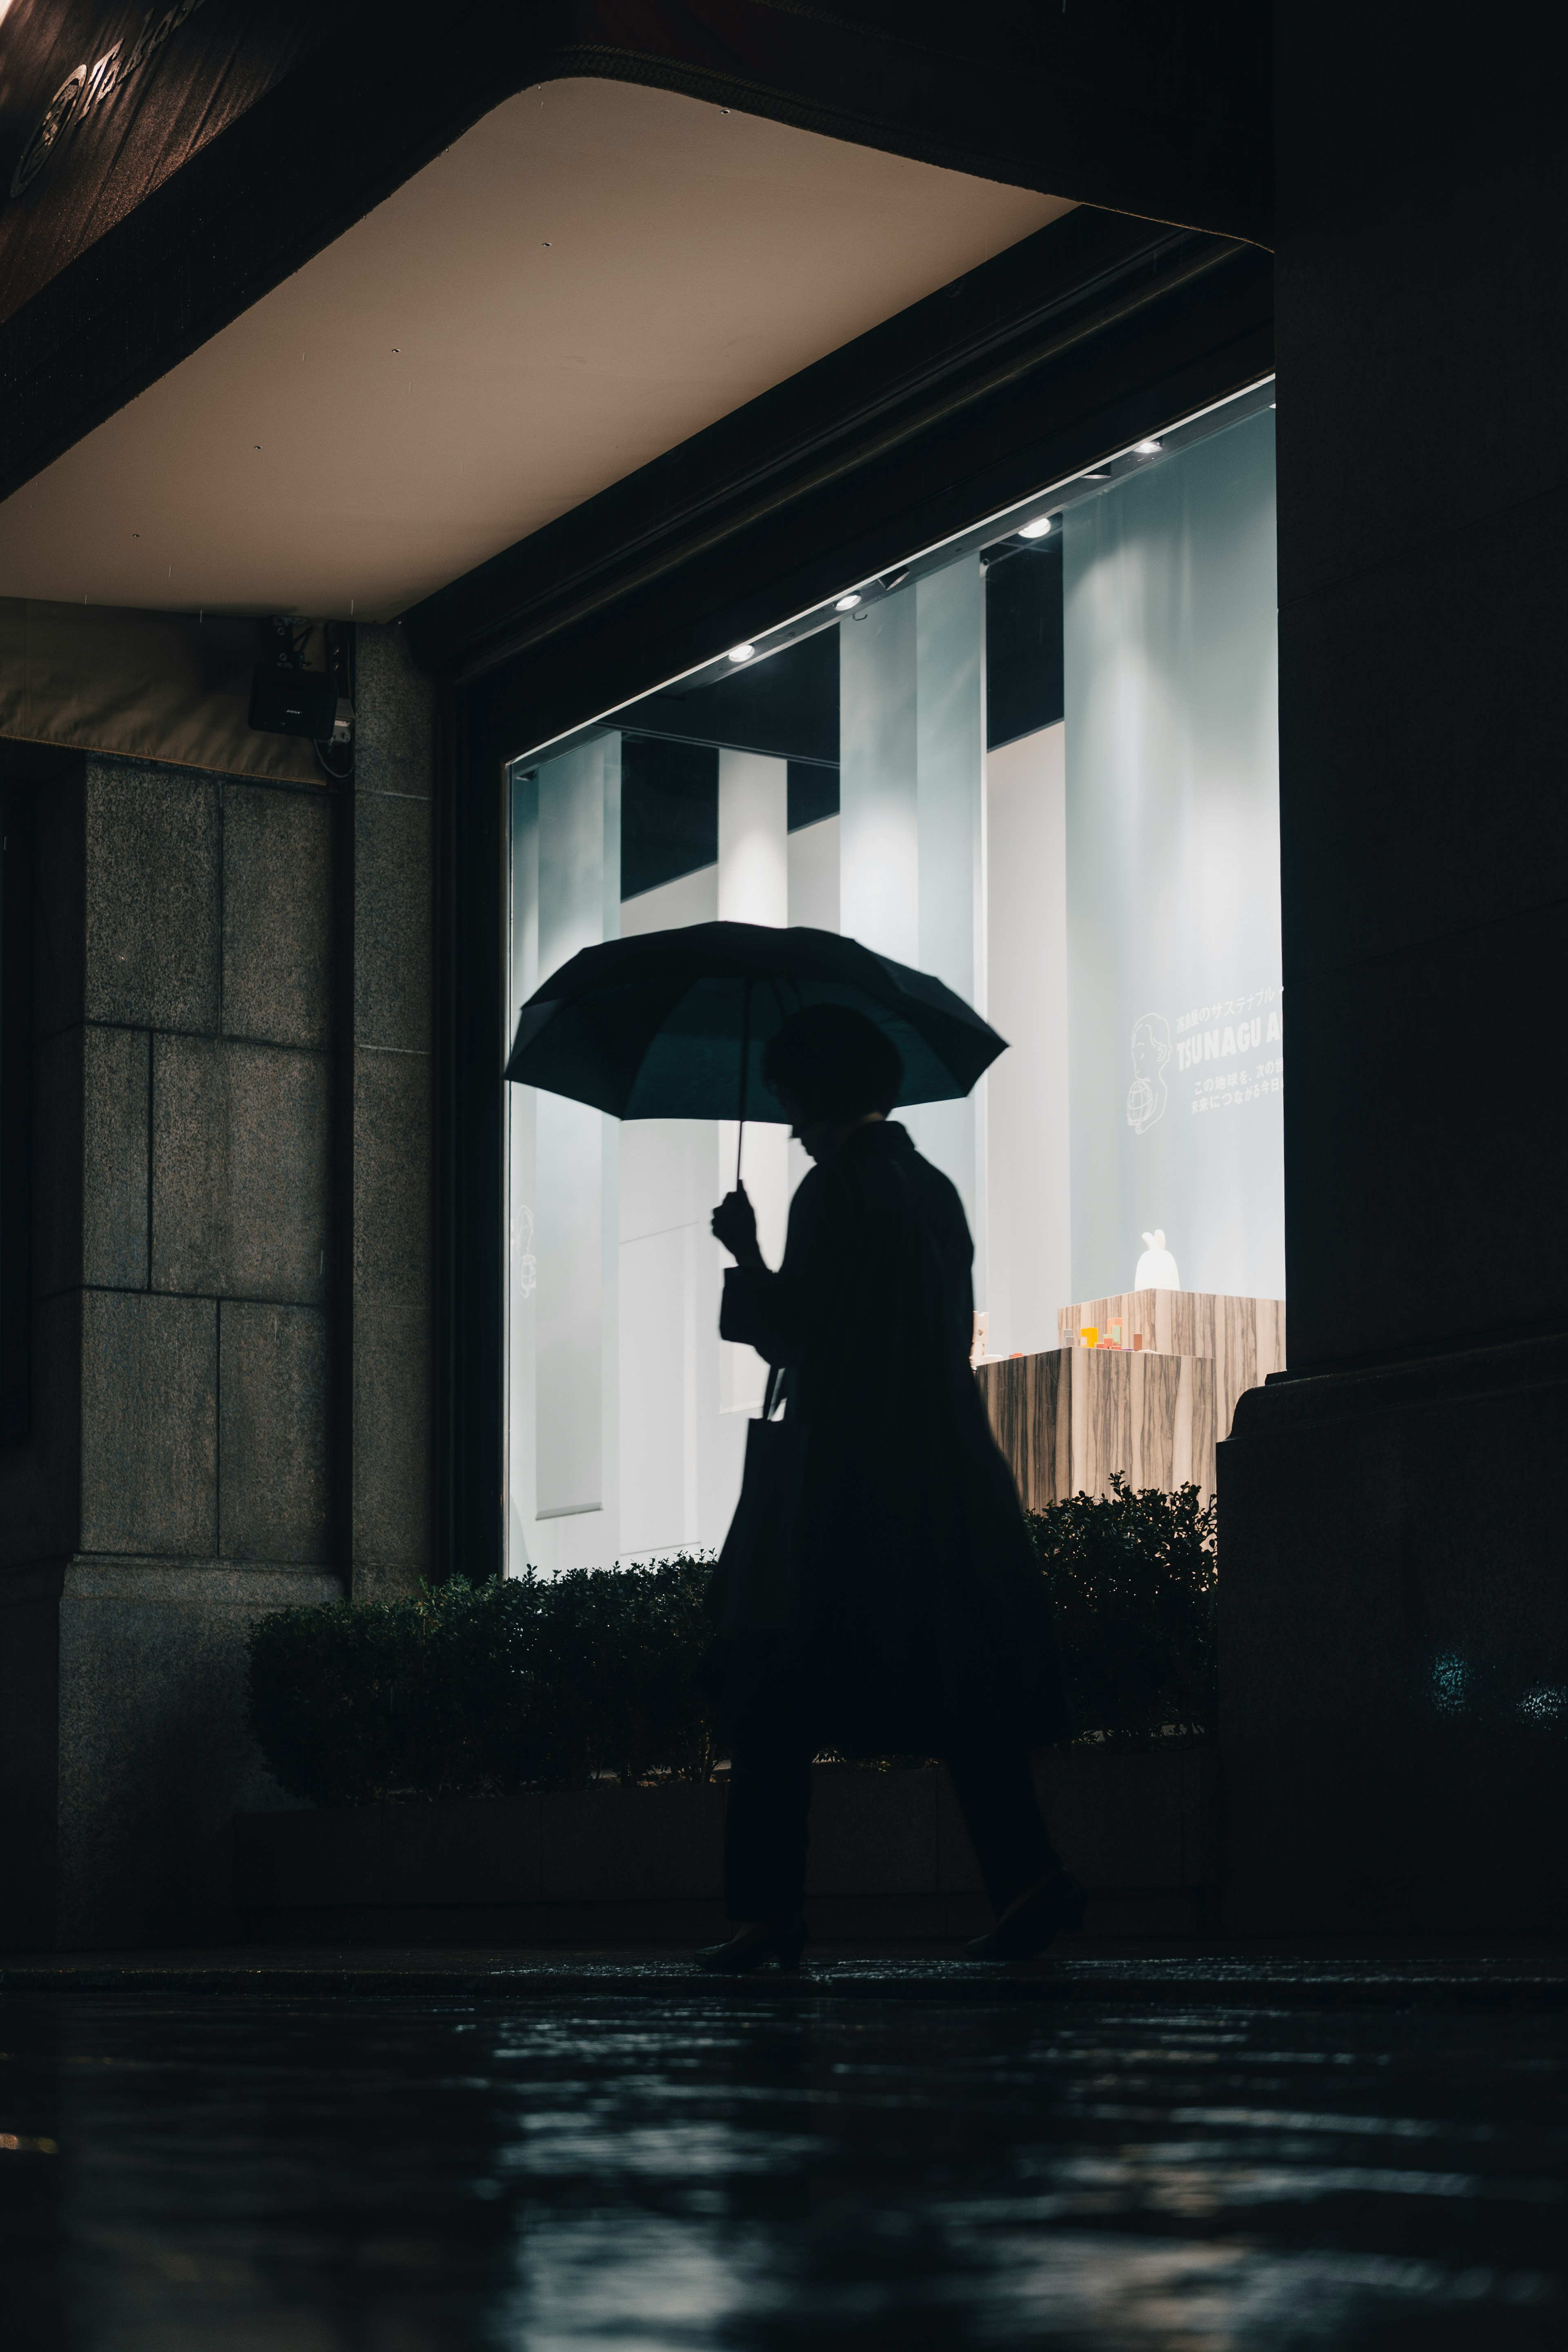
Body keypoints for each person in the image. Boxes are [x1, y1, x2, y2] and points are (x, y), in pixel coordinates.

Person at [698, 1003, 1081, 1971]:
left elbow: (801, 1338)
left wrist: (745, 1254)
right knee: (961, 1691)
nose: (784, 1121)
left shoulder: (830, 1195)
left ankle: (764, 1915)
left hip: (846, 1482)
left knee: (773, 1694)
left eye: (787, 1097)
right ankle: (1030, 1881)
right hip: (945, 1472)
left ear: (818, 1094)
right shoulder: (934, 1188)